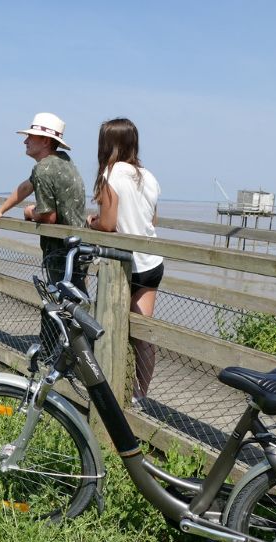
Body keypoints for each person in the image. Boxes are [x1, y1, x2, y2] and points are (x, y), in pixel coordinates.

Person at [0, 112, 87, 354]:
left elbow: (48, 217)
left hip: (60, 250)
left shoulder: (44, 169)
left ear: (45, 141)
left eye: (30, 137)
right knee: (74, 301)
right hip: (78, 246)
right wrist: (1, 210)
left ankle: (52, 354)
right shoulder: (62, 161)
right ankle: (73, 353)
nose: (25, 141)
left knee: (56, 303)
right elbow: (26, 187)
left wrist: (30, 213)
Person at [86, 117, 163, 402]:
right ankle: (140, 394)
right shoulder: (148, 176)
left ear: (107, 144)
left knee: (112, 326)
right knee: (143, 332)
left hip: (124, 265)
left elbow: (108, 224)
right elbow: (152, 221)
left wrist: (92, 222)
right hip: (151, 262)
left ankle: (111, 390)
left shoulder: (112, 173)